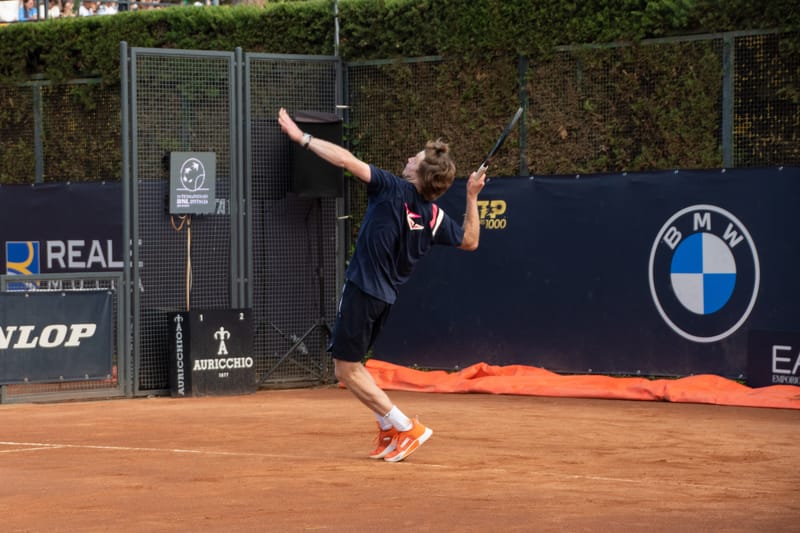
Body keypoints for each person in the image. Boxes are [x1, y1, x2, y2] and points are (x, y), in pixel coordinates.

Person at [278, 107, 485, 462]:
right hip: (384, 298)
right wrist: (471, 196)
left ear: (419, 174)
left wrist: (303, 138)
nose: (408, 158)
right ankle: (388, 428)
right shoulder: (434, 216)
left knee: (346, 369)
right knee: (351, 367)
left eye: (415, 158)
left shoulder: (390, 188)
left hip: (363, 289)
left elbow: (345, 159)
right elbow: (470, 240)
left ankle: (404, 426)